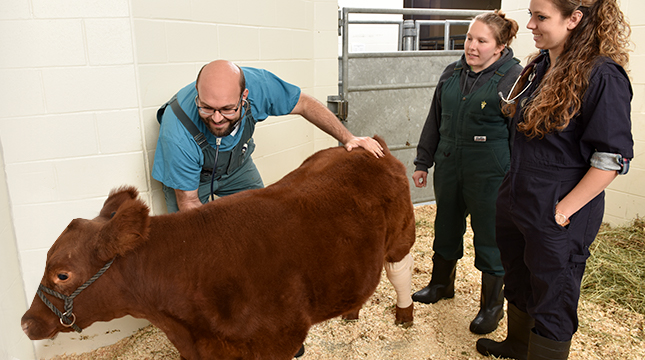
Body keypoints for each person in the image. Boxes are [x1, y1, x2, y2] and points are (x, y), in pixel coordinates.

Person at [476, 0, 633, 359]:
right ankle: (518, 345)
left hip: (558, 207)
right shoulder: (539, 67)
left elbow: (610, 160)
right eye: (532, 14)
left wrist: (563, 212)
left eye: (541, 17)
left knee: (553, 293)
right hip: (519, 197)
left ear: (574, 19)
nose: (529, 24)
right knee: (518, 278)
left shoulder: (602, 75)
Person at [411, 10, 522, 335]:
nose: (472, 46)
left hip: (491, 173)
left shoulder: (513, 79)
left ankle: (491, 307)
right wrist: (422, 161)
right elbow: (435, 119)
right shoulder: (451, 72)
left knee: (490, 236)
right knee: (445, 225)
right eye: (469, 38)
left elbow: (521, 136)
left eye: (481, 41)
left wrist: (517, 179)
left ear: (500, 46)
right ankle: (441, 285)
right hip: (449, 164)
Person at [153, 60, 384, 213]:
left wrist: (348, 138)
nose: (216, 118)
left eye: (227, 109)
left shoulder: (260, 86)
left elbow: (303, 103)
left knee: (261, 217)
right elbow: (190, 203)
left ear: (245, 96)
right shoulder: (178, 131)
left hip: (238, 167)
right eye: (206, 108)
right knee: (193, 245)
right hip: (194, 181)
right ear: (197, 95)